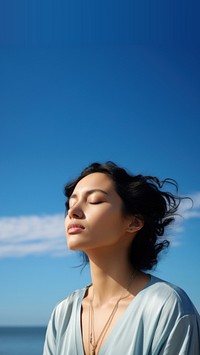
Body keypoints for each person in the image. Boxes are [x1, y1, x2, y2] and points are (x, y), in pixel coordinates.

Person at [43, 161, 200, 355]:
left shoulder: (166, 307)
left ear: (133, 222)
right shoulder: (63, 313)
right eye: (71, 203)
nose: (72, 211)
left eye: (95, 200)